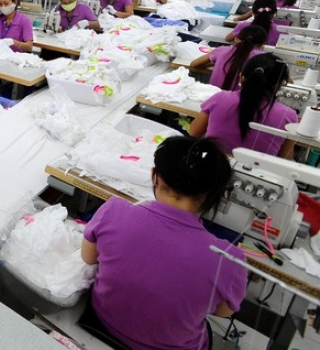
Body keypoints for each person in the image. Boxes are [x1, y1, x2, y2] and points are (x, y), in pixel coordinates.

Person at [81, 136, 247, 350]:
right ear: (213, 194)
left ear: (155, 177)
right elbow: (223, 312)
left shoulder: (113, 210)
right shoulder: (229, 259)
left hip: (101, 325)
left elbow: (88, 257)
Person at [189, 53, 297, 157]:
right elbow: (284, 158)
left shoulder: (219, 98)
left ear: (241, 77)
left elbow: (194, 132)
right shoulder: (289, 116)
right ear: (280, 84)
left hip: (215, 165)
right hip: (257, 169)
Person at [190, 25, 266, 90]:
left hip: (214, 94)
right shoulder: (263, 59)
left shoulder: (222, 50)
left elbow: (194, 64)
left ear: (236, 39)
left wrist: (216, 63)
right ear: (262, 44)